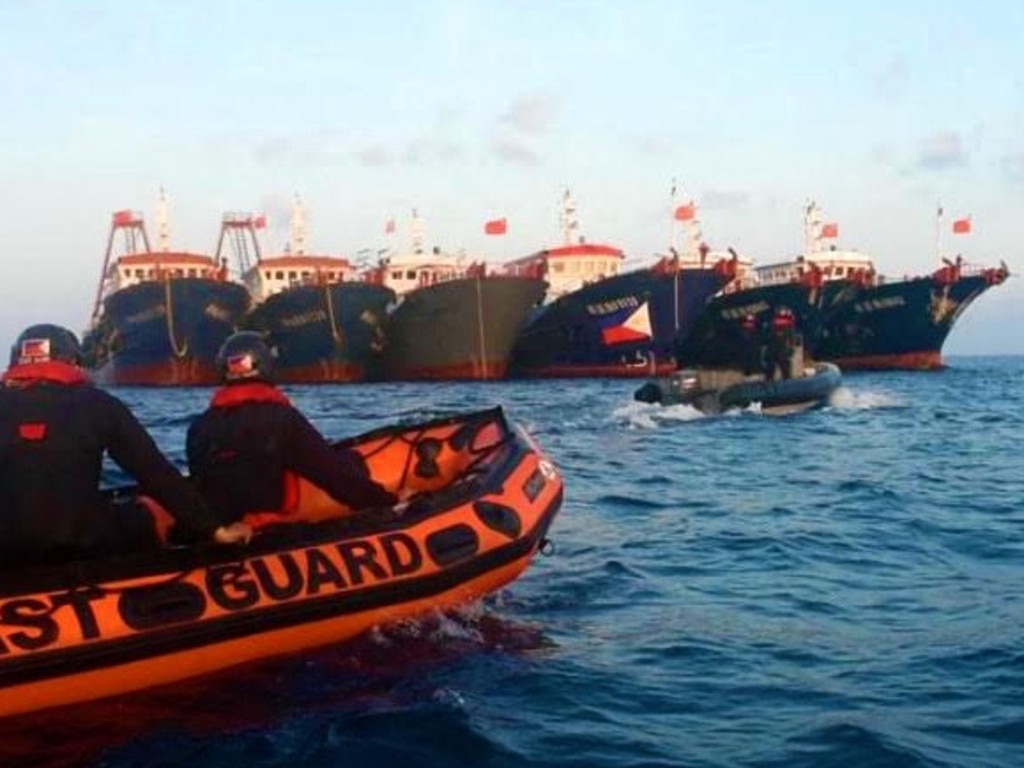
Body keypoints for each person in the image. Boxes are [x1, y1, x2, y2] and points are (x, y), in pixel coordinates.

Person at [0, 324, 248, 570]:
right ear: (74, 362)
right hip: (79, 542)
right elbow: (155, 473)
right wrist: (215, 529)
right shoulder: (99, 404)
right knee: (149, 512)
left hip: (7, 548)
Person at [186, 331, 398, 530]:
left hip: (219, 533)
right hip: (268, 532)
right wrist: (390, 502)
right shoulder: (282, 419)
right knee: (349, 461)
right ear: (267, 366)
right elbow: (335, 477)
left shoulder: (199, 427)